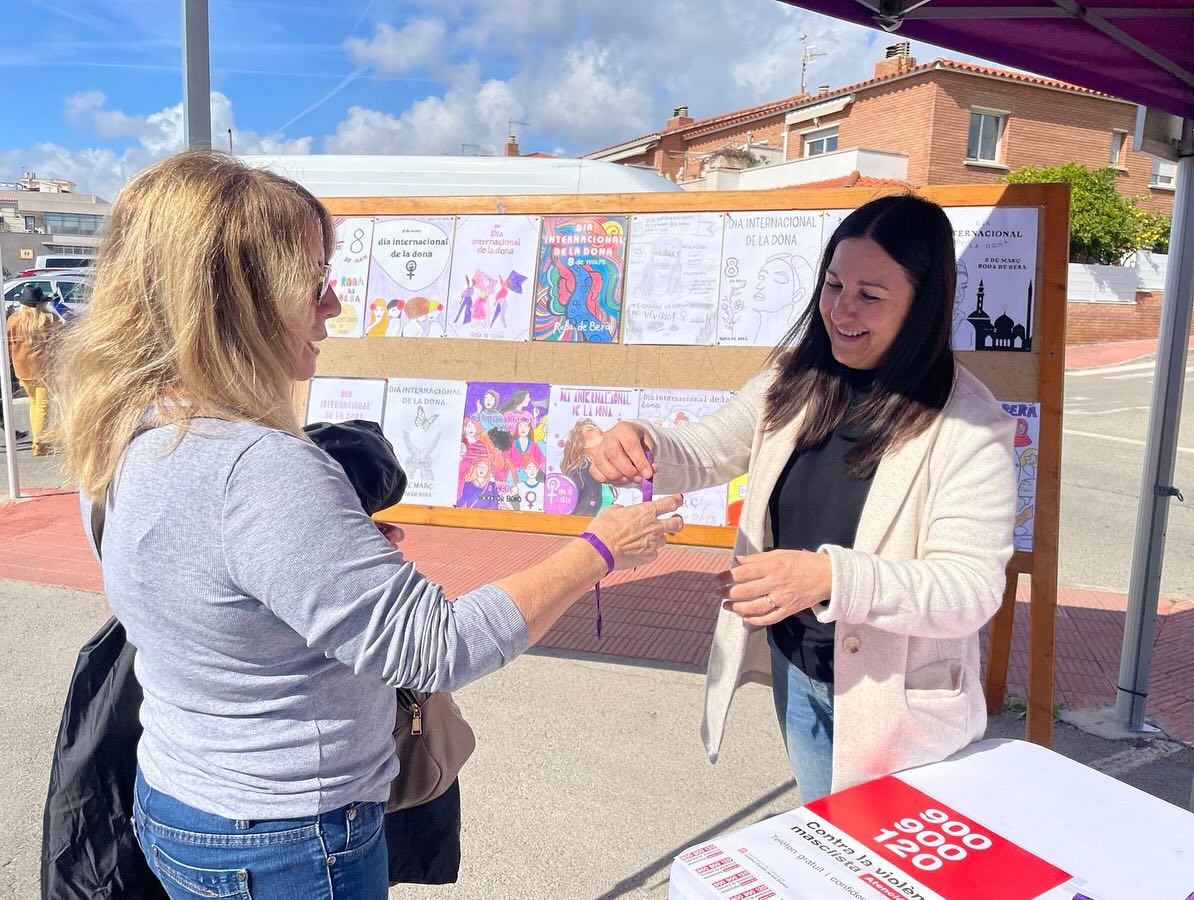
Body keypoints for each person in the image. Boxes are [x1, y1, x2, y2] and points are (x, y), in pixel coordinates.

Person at [50, 150, 685, 900]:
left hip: (177, 798)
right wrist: (602, 547)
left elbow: (192, 581)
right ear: (237, 299)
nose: (334, 305)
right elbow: (437, 648)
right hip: (285, 839)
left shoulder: (128, 429)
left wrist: (313, 569)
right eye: (313, 281)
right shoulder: (258, 468)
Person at [589, 194, 1017, 802]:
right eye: (833, 284)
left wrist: (828, 578)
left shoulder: (970, 426)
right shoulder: (795, 378)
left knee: (879, 851)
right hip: (798, 667)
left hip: (896, 703)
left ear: (924, 304)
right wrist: (643, 441)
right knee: (824, 836)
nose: (841, 309)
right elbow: (707, 448)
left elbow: (969, 590)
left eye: (870, 295)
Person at [7, 284, 63, 455]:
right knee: (42, 405)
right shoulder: (50, 319)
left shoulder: (14, 320)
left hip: (22, 368)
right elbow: (60, 342)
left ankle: (38, 439)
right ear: (41, 303)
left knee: (34, 402)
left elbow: (9, 343)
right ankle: (38, 443)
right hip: (44, 368)